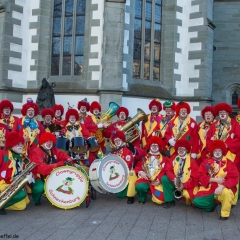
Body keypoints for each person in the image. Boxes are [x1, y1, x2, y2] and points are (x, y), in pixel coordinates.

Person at [193, 140, 238, 220]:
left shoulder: (229, 163)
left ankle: (224, 214)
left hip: (223, 189)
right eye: (215, 150)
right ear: (212, 152)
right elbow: (200, 175)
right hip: (210, 189)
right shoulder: (206, 162)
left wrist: (222, 186)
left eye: (219, 150)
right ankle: (212, 205)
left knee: (227, 193)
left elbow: (234, 177)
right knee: (196, 202)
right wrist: (214, 180)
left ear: (222, 151)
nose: (217, 152)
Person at [29, 132, 72, 206]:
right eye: (46, 141)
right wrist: (57, 164)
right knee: (39, 188)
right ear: (42, 142)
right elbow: (41, 169)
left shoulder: (53, 150)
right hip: (38, 177)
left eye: (51, 141)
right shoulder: (36, 152)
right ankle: (35, 200)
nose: (49, 143)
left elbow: (61, 155)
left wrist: (68, 158)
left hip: (51, 175)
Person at [0, 132, 35, 215]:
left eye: (21, 144)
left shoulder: (20, 158)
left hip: (13, 184)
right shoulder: (2, 154)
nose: (20, 146)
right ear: (10, 144)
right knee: (21, 195)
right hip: (3, 184)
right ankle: (1, 205)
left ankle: (3, 202)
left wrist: (28, 176)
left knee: (21, 206)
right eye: (17, 144)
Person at [161, 139, 199, 208]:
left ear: (187, 150)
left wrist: (184, 185)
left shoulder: (192, 161)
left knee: (188, 196)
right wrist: (174, 178)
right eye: (179, 148)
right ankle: (169, 201)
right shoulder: (173, 158)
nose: (181, 150)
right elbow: (168, 170)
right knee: (164, 178)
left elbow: (195, 179)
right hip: (176, 182)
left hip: (187, 184)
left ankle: (182, 196)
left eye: (183, 148)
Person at [110, 130, 145, 204]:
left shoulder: (129, 148)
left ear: (122, 140)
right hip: (120, 173)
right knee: (120, 195)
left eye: (118, 139)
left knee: (131, 175)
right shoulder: (114, 152)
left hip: (130, 171)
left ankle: (130, 196)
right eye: (115, 140)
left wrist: (135, 150)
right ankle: (128, 189)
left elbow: (142, 154)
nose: (117, 141)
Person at [135, 136, 168, 204]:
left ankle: (153, 194)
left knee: (160, 201)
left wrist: (159, 180)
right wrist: (141, 172)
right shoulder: (145, 157)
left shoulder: (165, 160)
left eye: (156, 145)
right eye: (152, 145)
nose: (154, 147)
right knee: (139, 186)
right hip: (146, 179)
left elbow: (166, 171)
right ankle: (142, 198)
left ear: (159, 147)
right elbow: (138, 166)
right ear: (149, 146)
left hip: (157, 181)